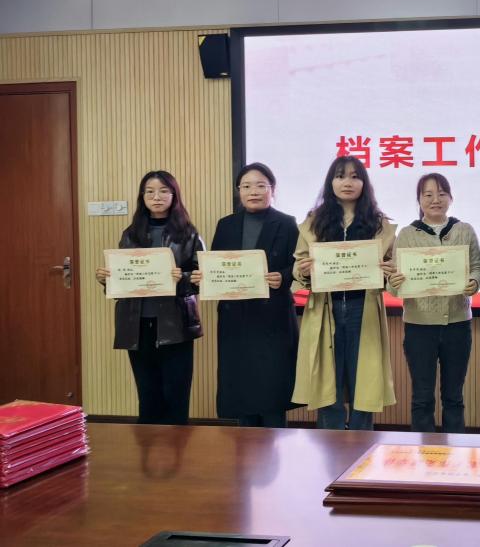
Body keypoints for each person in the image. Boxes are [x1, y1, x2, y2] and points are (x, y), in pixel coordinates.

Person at [191, 163, 299, 428]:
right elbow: (215, 265)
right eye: (247, 186)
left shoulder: (287, 223)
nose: (254, 191)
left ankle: (276, 442)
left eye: (261, 185)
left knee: (272, 390)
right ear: (238, 191)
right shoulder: (226, 224)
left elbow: (298, 265)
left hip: (272, 317)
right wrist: (205, 276)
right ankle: (246, 446)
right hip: (235, 318)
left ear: (272, 190)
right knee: (241, 388)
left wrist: (283, 276)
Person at [292, 156, 397, 430]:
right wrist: (304, 270)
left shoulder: (379, 224)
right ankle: (331, 443)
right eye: (340, 176)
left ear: (364, 183)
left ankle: (363, 443)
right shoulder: (314, 222)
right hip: (326, 309)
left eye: (354, 176)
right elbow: (299, 266)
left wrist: (389, 271)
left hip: (364, 308)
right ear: (331, 182)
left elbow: (394, 272)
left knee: (366, 381)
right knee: (328, 382)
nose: (347, 182)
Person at [95, 170, 203, 425]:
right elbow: (123, 279)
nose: (157, 197)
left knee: (176, 395)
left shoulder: (188, 233)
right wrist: (107, 279)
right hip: (137, 324)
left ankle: (177, 447)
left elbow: (204, 278)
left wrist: (182, 277)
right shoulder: (131, 233)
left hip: (175, 325)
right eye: (150, 191)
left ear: (174, 196)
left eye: (164, 191)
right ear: (142, 196)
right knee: (147, 394)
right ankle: (149, 448)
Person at [387, 173, 480, 433]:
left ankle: (456, 452)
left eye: (441, 193)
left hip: (458, 325)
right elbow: (393, 284)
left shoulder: (464, 230)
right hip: (419, 327)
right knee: (422, 397)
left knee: (454, 397)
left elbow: (477, 267)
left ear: (451, 198)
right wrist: (394, 280)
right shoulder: (407, 234)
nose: (435, 199)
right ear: (419, 200)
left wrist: (474, 282)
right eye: (428, 194)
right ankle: (424, 454)